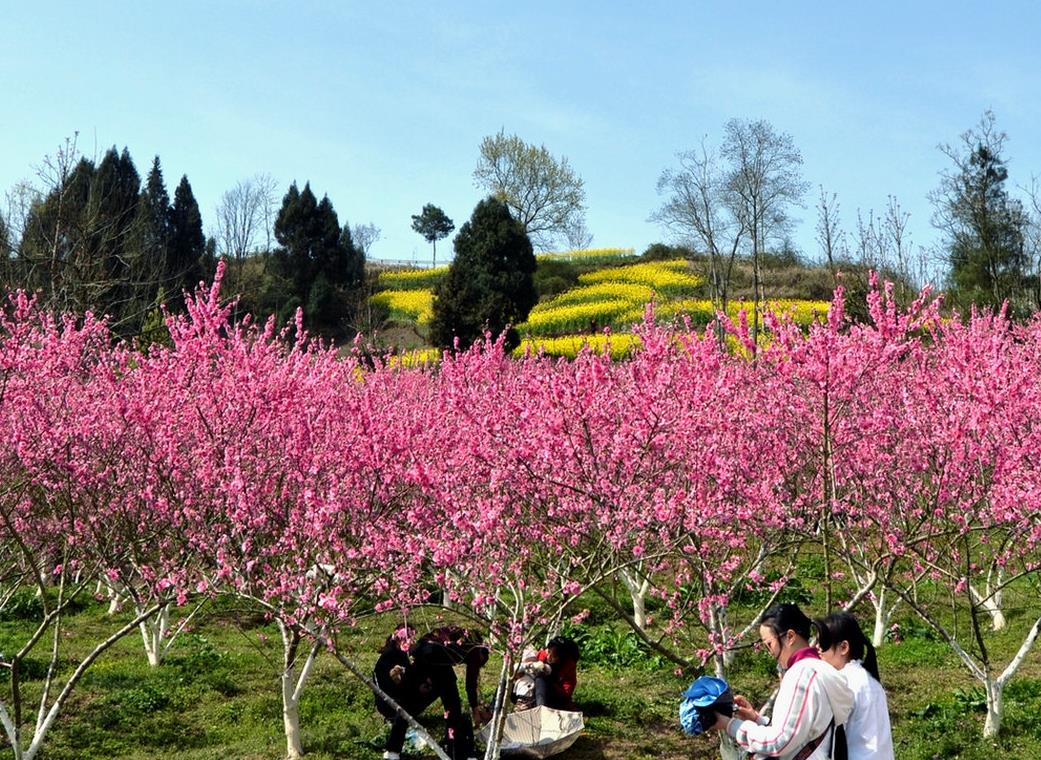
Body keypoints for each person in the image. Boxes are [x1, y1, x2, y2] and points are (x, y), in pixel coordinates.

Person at [711, 603, 853, 760]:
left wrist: (730, 725)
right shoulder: (821, 670)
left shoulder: (802, 674)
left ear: (790, 637)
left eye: (769, 644)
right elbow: (799, 734)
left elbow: (778, 741)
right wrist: (757, 720)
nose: (770, 652)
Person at [382, 625, 490, 760]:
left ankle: (392, 751)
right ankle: (457, 753)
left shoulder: (463, 635)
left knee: (409, 706)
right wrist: (474, 709)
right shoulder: (476, 650)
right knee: (452, 709)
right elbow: (470, 683)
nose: (478, 666)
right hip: (434, 660)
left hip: (424, 654)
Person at [815, 612, 895, 760]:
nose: (818, 649)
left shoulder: (844, 682)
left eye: (824, 643)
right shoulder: (868, 679)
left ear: (844, 647)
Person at [533, 635, 580, 710]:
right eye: (548, 652)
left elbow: (566, 693)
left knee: (541, 679)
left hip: (555, 698)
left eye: (553, 657)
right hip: (533, 691)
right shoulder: (542, 655)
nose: (549, 657)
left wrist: (550, 679)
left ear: (562, 658)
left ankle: (541, 710)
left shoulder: (568, 666)